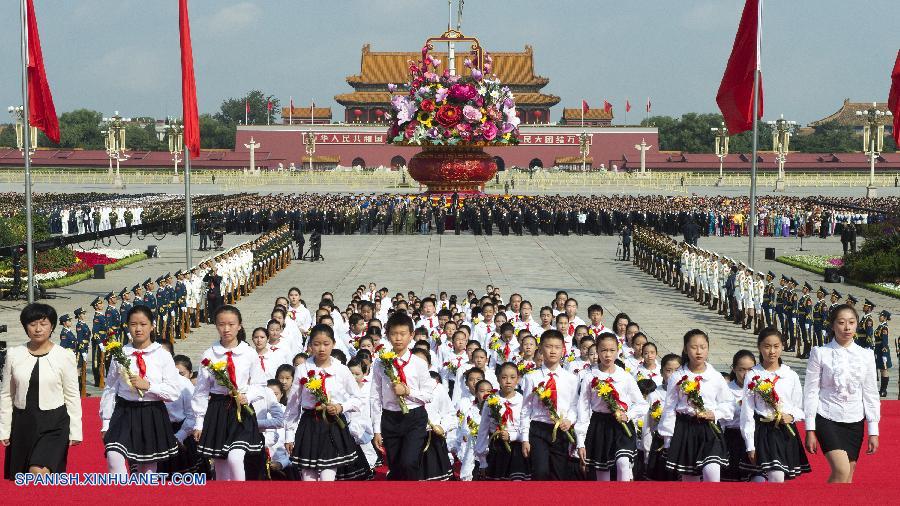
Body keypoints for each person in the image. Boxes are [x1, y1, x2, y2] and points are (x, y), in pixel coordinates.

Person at [1, 303, 82, 479]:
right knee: (26, 480)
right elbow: (7, 394)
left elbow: (72, 395)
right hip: (23, 423)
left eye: (43, 324)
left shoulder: (64, 356)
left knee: (38, 472)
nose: (38, 329)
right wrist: (4, 429)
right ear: (25, 327)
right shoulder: (14, 354)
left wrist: (76, 431)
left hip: (55, 423)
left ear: (52, 326)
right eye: (32, 324)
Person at [101, 306, 181, 476]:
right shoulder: (120, 353)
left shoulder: (162, 355)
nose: (138, 329)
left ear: (152, 326)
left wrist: (149, 386)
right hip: (124, 411)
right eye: (133, 324)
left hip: (151, 412)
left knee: (147, 468)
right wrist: (106, 421)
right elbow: (110, 387)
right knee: (113, 455)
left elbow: (174, 392)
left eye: (143, 324)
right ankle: (121, 494)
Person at [804, 304, 880, 483]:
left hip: (855, 420)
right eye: (841, 322)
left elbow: (870, 393)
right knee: (841, 470)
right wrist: (810, 428)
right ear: (832, 325)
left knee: (849, 474)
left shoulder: (866, 355)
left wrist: (873, 430)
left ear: (857, 325)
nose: (847, 328)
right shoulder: (820, 353)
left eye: (851, 323)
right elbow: (810, 391)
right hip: (827, 416)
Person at [192, 305, 267, 481]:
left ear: (239, 326)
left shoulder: (249, 353)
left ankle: (240, 496)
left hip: (241, 410)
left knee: (235, 457)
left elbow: (260, 383)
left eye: (231, 324)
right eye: (221, 324)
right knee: (220, 462)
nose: (226, 329)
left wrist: (247, 396)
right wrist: (199, 422)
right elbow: (201, 391)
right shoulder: (209, 354)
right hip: (218, 410)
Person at [283, 324, 361, 481]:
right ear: (310, 345)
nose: (321, 349)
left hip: (333, 424)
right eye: (316, 344)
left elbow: (358, 399)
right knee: (308, 476)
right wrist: (288, 435)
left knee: (327, 476)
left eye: (326, 344)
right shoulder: (302, 369)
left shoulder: (341, 369)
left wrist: (341, 407)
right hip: (309, 424)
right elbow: (293, 404)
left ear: (333, 344)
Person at [659, 329, 733, 482]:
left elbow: (729, 404)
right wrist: (668, 439)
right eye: (694, 347)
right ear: (686, 349)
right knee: (689, 479)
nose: (698, 352)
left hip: (709, 430)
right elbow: (670, 408)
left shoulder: (715, 377)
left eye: (703, 347)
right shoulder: (677, 377)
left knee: (712, 470)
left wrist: (714, 414)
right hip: (685, 429)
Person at [741, 328, 810, 482]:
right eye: (767, 346)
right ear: (759, 347)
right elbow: (747, 412)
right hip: (764, 432)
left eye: (776, 346)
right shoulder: (752, 375)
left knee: (781, 478)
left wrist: (791, 416)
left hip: (785, 432)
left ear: (782, 346)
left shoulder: (790, 375)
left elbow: (801, 408)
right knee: (776, 476)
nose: (772, 351)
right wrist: (750, 445)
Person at [372, 312, 434, 480]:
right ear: (387, 335)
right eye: (393, 334)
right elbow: (375, 396)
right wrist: (377, 429)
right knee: (396, 466)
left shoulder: (418, 363)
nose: (398, 338)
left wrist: (408, 392)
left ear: (411, 335)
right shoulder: (380, 363)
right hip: (390, 418)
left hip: (414, 417)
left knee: (409, 462)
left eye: (402, 334)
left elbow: (428, 395)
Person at [575, 333, 643, 481]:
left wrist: (628, 415)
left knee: (623, 462)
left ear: (618, 350)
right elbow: (583, 409)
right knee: (602, 472)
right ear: (597, 351)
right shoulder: (589, 376)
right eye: (603, 350)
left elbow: (641, 404)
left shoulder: (625, 376)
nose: (607, 355)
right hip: (600, 425)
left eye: (612, 350)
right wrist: (580, 441)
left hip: (621, 424)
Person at [521, 330, 578, 480]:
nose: (553, 351)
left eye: (557, 347)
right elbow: (525, 410)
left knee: (559, 474)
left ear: (563, 350)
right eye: (548, 346)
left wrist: (569, 420)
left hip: (560, 430)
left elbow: (574, 406)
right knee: (540, 471)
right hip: (538, 429)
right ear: (540, 349)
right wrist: (525, 438)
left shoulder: (571, 378)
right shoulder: (531, 377)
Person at [475, 362, 530, 481]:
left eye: (512, 377)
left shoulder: (523, 400)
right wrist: (482, 460)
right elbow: (483, 429)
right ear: (498, 379)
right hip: (497, 447)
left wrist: (512, 436)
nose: (508, 381)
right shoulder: (491, 400)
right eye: (504, 377)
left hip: (517, 449)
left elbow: (527, 427)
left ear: (518, 379)